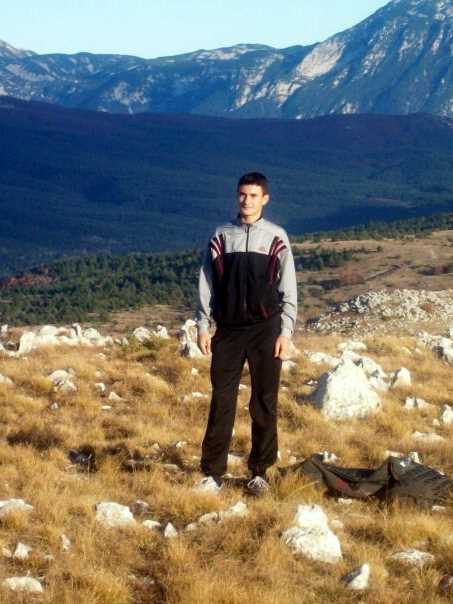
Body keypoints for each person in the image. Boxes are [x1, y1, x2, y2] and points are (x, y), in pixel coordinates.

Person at [195, 171, 297, 496]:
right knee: (221, 401)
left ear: (265, 199)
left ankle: (260, 472)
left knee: (264, 401)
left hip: (266, 330)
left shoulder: (277, 237)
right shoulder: (221, 236)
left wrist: (286, 332)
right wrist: (203, 325)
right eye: (242, 194)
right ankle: (212, 473)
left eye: (253, 196)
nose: (247, 201)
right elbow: (206, 282)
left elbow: (288, 288)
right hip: (228, 330)